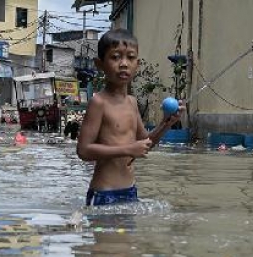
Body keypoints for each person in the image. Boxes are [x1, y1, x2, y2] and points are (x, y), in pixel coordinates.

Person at [76, 29, 184, 206]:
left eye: (130, 57)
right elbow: (83, 150)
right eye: (115, 57)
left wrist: (167, 122)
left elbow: (145, 143)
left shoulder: (132, 102)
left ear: (137, 64)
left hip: (130, 192)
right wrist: (128, 149)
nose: (124, 64)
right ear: (99, 64)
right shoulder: (99, 102)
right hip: (104, 194)